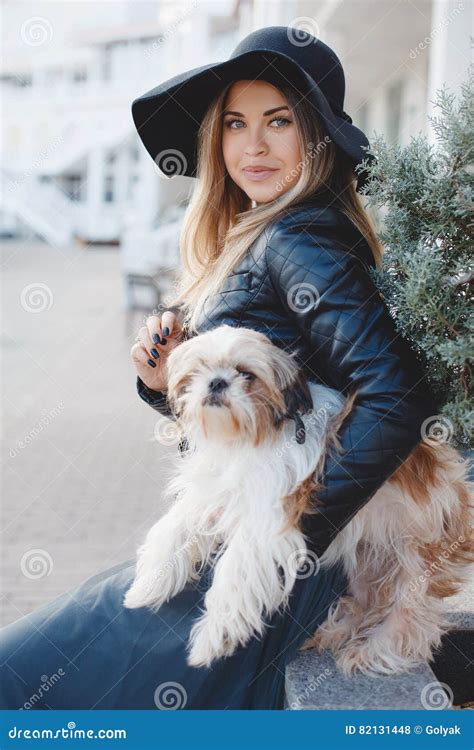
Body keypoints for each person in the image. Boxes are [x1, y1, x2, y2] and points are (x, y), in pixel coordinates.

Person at [0, 26, 439, 710]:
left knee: (27, 679)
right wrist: (161, 384)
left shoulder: (299, 239)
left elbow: (396, 394)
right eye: (236, 123)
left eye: (279, 122)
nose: (253, 145)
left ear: (318, 136)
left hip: (266, 567)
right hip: (240, 545)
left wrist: (291, 528)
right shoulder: (267, 230)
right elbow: (261, 419)